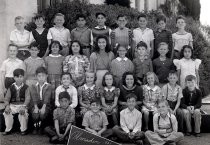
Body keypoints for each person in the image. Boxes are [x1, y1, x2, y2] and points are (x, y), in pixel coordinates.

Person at [3, 69, 30, 135]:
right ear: (14, 77)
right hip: (12, 105)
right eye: (17, 77)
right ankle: (8, 129)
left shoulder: (26, 87)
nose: (19, 78)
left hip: (22, 105)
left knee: (23, 114)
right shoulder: (11, 87)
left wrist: (24, 106)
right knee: (7, 113)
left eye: (21, 77)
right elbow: (6, 98)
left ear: (23, 77)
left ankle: (23, 130)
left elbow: (27, 98)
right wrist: (7, 106)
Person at [29, 67, 53, 134]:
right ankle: (36, 126)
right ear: (36, 76)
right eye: (39, 76)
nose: (41, 78)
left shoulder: (49, 86)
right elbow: (34, 97)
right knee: (35, 114)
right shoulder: (33, 86)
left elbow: (47, 97)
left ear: (46, 76)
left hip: (45, 105)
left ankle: (42, 126)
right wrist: (36, 107)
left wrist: (43, 107)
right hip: (35, 104)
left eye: (43, 76)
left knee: (42, 114)